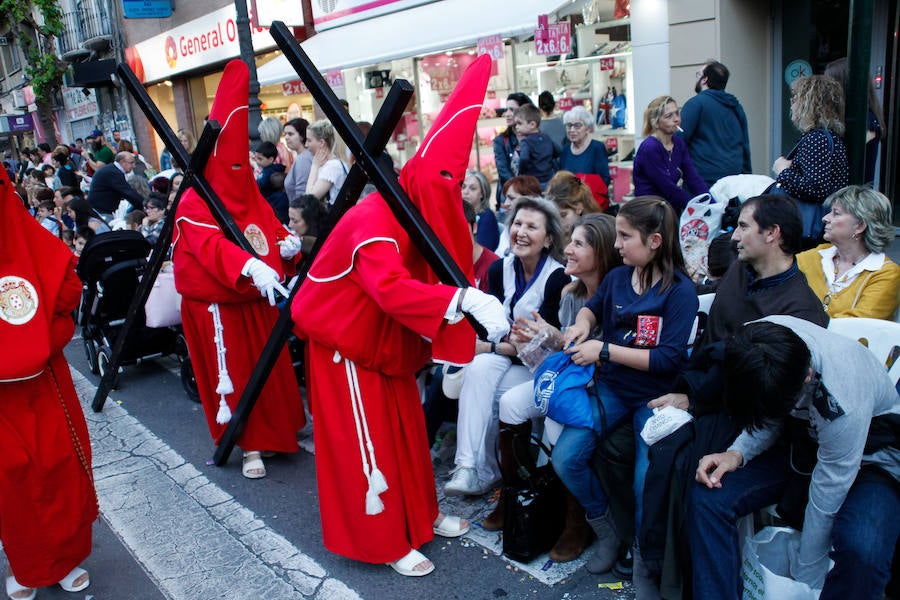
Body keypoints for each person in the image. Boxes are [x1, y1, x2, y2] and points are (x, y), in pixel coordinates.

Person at [291, 54, 508, 577]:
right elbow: (390, 289)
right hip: (345, 345)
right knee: (368, 442)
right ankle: (383, 538)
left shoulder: (408, 210)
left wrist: (469, 292)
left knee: (407, 432)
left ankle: (419, 518)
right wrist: (462, 301)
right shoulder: (375, 218)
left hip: (382, 342)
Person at [634, 194, 829, 597]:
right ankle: (651, 560)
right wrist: (688, 392)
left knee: (687, 466)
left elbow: (770, 399)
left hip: (756, 420)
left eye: (742, 226)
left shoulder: (803, 311)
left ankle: (668, 575)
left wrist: (697, 402)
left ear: (772, 234)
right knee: (660, 441)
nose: (733, 236)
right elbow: (712, 341)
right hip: (708, 392)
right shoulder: (741, 271)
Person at [688, 316, 899, 600]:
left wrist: (805, 577)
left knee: (863, 548)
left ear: (808, 376)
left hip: (869, 458)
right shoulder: (756, 340)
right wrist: (736, 453)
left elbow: (829, 490)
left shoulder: (841, 397)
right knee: (709, 495)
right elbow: (767, 410)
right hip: (800, 444)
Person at [172, 59, 306, 480]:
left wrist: (288, 246)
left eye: (242, 163)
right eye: (231, 165)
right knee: (239, 376)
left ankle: (280, 435)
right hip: (221, 307)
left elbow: (269, 226)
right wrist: (250, 266)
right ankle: (247, 444)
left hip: (257, 301)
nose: (239, 173)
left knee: (271, 372)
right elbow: (209, 246)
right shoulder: (196, 200)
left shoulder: (250, 189)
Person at [555, 197, 697, 581]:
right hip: (613, 389)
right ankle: (609, 534)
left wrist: (603, 349)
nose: (616, 245)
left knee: (643, 482)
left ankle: (644, 555)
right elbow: (592, 307)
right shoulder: (618, 277)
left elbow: (668, 359)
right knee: (565, 459)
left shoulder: (680, 291)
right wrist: (582, 324)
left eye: (624, 236)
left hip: (655, 397)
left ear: (654, 241)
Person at [485, 213, 621, 563]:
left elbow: (607, 360)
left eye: (578, 244)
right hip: (566, 383)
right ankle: (514, 496)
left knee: (559, 420)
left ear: (601, 252)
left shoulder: (618, 296)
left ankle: (575, 521)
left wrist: (559, 340)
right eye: (569, 242)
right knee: (511, 403)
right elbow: (559, 358)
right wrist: (535, 341)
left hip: (599, 391)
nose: (568, 251)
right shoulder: (570, 294)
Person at [0, 168, 97, 600]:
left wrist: (36, 342)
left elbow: (66, 297)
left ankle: (64, 557)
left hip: (44, 386)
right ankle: (28, 564)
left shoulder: (32, 237)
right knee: (10, 483)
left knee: (57, 471)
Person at [444, 195, 569, 496]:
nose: (521, 231)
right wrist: (496, 346)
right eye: (517, 223)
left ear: (549, 238)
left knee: (485, 381)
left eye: (532, 226)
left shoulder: (557, 278)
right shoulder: (500, 269)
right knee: (478, 371)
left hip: (543, 367)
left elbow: (540, 344)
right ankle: (469, 468)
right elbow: (494, 328)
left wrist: (493, 347)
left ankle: (486, 470)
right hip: (508, 358)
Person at [797, 185, 899, 319]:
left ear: (860, 226)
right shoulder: (814, 256)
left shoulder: (886, 273)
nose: (825, 218)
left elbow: (857, 325)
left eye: (836, 213)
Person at [771, 75, 848, 246]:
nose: (792, 103)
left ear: (810, 104)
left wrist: (783, 170)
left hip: (810, 229)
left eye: (796, 98)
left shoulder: (816, 138)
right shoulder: (827, 137)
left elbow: (816, 188)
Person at [677, 60, 751, 186]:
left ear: (704, 79)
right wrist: (747, 177)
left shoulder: (695, 104)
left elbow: (679, 140)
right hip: (734, 181)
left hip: (702, 181)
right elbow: (745, 145)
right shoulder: (736, 106)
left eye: (698, 75)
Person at [633, 96, 709, 214]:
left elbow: (693, 178)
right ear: (656, 123)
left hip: (669, 208)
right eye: (669, 116)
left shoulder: (678, 143)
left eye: (677, 113)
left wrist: (711, 202)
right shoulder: (650, 148)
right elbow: (666, 186)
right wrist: (695, 206)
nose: (676, 119)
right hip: (650, 212)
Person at [824, 57, 885, 186]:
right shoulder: (855, 119)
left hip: (853, 198)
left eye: (829, 85)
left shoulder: (867, 121)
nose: (826, 92)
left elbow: (844, 158)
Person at [559, 106, 611, 211]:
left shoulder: (597, 147)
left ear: (587, 128)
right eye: (569, 126)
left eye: (577, 126)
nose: (572, 130)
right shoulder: (565, 151)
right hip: (570, 205)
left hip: (591, 204)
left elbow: (604, 179)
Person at [493, 92, 533, 208]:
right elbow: (503, 171)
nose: (507, 114)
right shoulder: (501, 141)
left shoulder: (537, 139)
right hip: (509, 198)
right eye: (507, 109)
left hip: (532, 197)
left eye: (512, 109)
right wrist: (519, 192)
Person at [86, 152, 146, 219]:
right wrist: (145, 204)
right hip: (101, 212)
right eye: (131, 163)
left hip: (99, 210)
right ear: (122, 162)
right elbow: (128, 192)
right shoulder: (113, 173)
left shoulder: (112, 170)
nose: (134, 166)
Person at [514, 103, 559, 188]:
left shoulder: (525, 142)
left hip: (533, 182)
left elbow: (524, 158)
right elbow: (558, 151)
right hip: (550, 179)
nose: (516, 127)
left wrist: (522, 173)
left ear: (532, 124)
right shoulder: (546, 137)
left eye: (519, 123)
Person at [545, 170, 602, 236]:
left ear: (579, 208)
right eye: (553, 216)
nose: (558, 222)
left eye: (563, 215)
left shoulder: (595, 236)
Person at [304, 119, 348, 206]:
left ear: (321, 143)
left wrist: (314, 166)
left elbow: (308, 199)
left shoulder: (333, 166)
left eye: (309, 140)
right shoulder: (331, 164)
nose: (306, 144)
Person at [462, 169, 499, 252]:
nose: (466, 192)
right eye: (463, 187)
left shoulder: (487, 217)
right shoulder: (456, 213)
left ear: (482, 194)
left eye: (472, 188)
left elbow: (482, 251)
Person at [253, 141, 288, 223]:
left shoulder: (268, 172)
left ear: (271, 159)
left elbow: (259, 185)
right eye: (256, 158)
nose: (257, 161)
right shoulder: (269, 169)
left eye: (260, 159)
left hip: (273, 206)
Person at [282, 118, 312, 203]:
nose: (286, 137)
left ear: (302, 136)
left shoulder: (303, 159)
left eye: (290, 134)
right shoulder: (302, 156)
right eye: (285, 134)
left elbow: (302, 191)